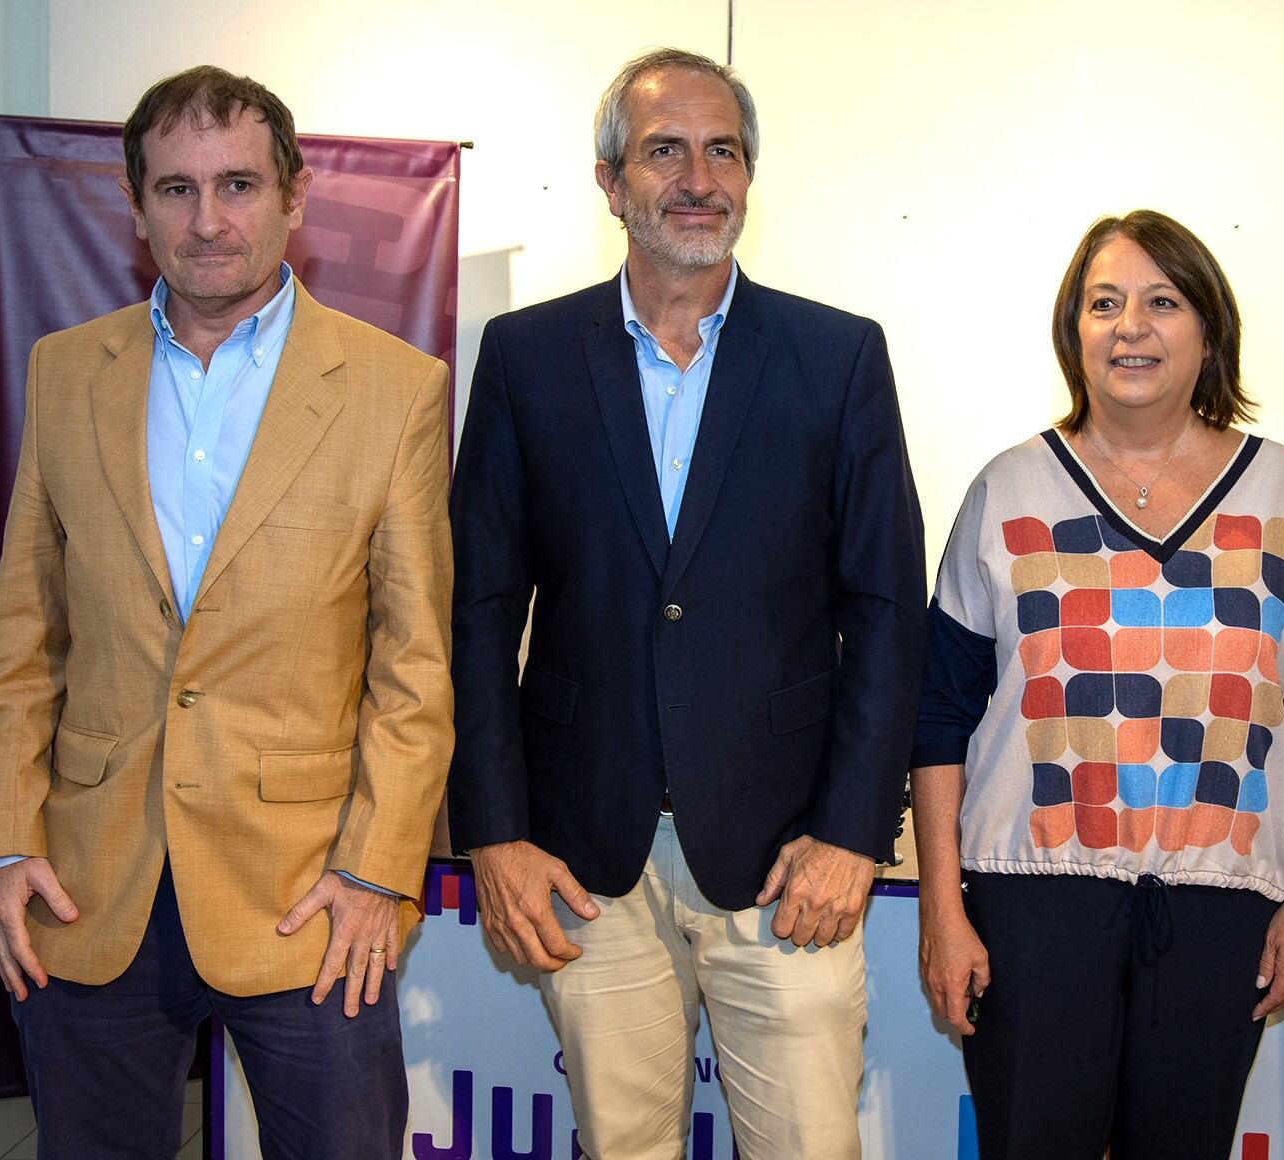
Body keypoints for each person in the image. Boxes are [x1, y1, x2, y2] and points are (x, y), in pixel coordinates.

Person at [0, 66, 453, 1159]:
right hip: (88, 891)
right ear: (134, 208)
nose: (209, 218)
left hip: (311, 902)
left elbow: (412, 664)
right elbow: (18, 633)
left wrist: (375, 870)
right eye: (175, 189)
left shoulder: (393, 388)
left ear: (294, 195)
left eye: (237, 183)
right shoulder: (64, 372)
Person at [446, 48, 925, 1160]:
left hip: (786, 861)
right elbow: (475, 605)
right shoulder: (524, 358)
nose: (697, 176)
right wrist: (496, 829)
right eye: (665, 150)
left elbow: (887, 607)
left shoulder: (835, 356)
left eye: (723, 151)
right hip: (580, 852)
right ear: (611, 181)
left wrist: (853, 831)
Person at [910, 209, 1284, 1159]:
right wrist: (944, 909)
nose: (1131, 327)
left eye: (1162, 302)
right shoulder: (1008, 488)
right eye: (1104, 303)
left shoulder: (1279, 488)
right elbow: (939, 715)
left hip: (1223, 902)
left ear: (1209, 330)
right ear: (1074, 331)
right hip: (1033, 901)